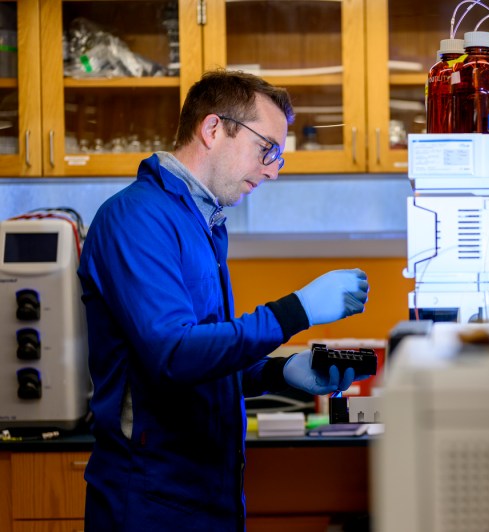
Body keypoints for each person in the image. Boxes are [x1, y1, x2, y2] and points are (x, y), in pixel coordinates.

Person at [76, 69, 370, 531]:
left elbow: (208, 352)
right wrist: (296, 310)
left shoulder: (204, 224)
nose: (273, 169)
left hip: (209, 492)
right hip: (151, 502)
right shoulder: (136, 219)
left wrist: (279, 372)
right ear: (213, 129)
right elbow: (173, 355)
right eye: (266, 148)